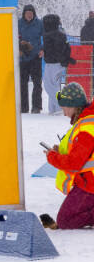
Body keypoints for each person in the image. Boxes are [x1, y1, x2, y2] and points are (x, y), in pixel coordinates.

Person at [40, 83, 94, 229]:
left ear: (73, 106)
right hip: (87, 181)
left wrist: (52, 157)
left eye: (64, 108)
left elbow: (74, 164)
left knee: (66, 220)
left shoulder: (86, 127)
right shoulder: (86, 121)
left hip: (90, 185)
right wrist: (59, 152)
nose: (63, 113)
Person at [42, 14, 77, 115]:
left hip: (53, 63)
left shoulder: (48, 35)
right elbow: (66, 48)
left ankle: (58, 106)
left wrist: (61, 59)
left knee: (49, 85)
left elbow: (55, 50)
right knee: (54, 85)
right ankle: (52, 108)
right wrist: (66, 59)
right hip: (58, 63)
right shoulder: (60, 34)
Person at [19, 4, 44, 113]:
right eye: (27, 14)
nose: (29, 15)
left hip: (35, 57)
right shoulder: (18, 23)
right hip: (22, 58)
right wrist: (18, 47)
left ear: (34, 14)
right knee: (22, 83)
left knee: (37, 83)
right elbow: (12, 36)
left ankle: (36, 107)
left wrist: (43, 49)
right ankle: (24, 107)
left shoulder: (39, 23)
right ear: (24, 14)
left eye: (31, 14)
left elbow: (45, 37)